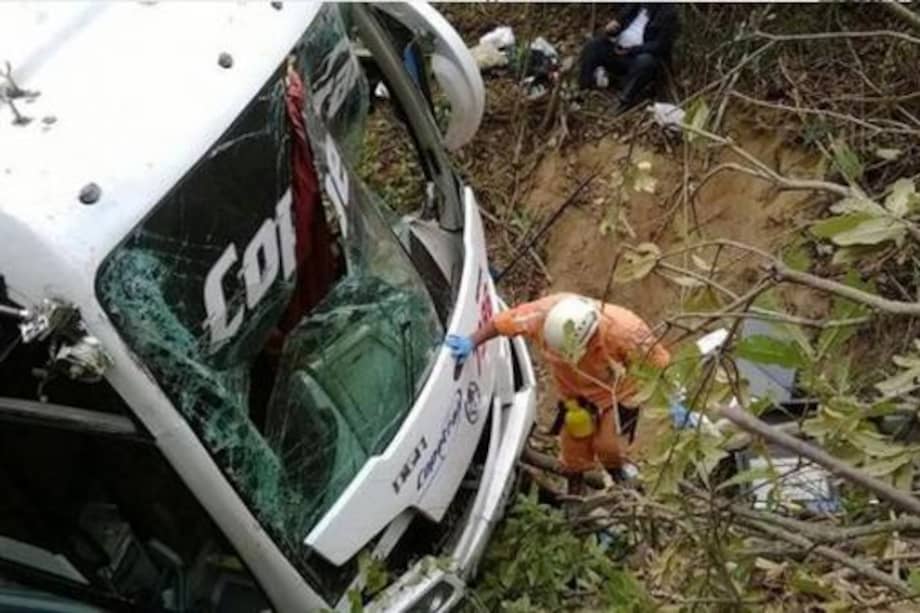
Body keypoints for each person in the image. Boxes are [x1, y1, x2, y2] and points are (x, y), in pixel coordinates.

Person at [446, 293, 670, 493]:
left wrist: (676, 401)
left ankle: (618, 473)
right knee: (574, 445)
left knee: (608, 446)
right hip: (575, 395)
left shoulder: (624, 330)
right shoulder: (539, 316)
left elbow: (658, 364)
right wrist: (471, 341)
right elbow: (501, 323)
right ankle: (575, 485)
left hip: (619, 391)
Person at [577, 3, 679, 108]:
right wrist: (611, 29)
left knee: (646, 61)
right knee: (594, 45)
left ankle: (623, 101)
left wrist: (632, 50)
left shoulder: (668, 13)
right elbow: (619, 23)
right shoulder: (635, 5)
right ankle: (584, 89)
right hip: (618, 50)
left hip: (636, 58)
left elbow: (660, 46)